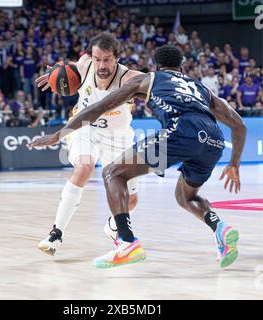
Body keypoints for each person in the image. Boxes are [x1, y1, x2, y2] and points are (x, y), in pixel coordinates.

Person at [28, 45, 246, 270]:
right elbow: (238, 124)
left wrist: (58, 135)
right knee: (185, 196)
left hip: (181, 132)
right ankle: (220, 228)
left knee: (112, 173)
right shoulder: (200, 88)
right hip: (214, 141)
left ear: (156, 66)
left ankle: (127, 243)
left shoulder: (148, 79)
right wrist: (234, 163)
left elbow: (96, 108)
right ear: (181, 67)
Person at [34, 33, 143, 256]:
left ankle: (113, 225)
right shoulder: (84, 66)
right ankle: (56, 233)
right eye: (97, 59)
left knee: (131, 200)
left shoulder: (129, 78)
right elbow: (68, 68)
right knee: (84, 166)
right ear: (90, 57)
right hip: (85, 128)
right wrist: (55, 75)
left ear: (116, 58)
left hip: (119, 136)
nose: (101, 65)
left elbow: (157, 83)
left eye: (107, 59)